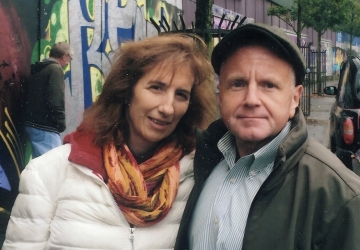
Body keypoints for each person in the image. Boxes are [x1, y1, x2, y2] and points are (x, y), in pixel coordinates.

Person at [3, 33, 217, 249]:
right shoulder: (49, 172)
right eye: (156, 87)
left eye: (181, 94)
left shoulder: (196, 176)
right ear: (126, 91)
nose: (167, 108)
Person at [175, 23, 360, 250]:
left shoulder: (341, 196)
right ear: (220, 94)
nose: (251, 99)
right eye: (238, 84)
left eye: (269, 85)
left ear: (294, 98)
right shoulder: (200, 160)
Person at [23, 42, 73, 158]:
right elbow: (55, 99)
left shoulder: (39, 68)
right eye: (70, 59)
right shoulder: (55, 69)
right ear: (65, 56)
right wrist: (60, 123)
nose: (68, 63)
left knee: (41, 166)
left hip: (32, 123)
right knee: (53, 165)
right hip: (45, 126)